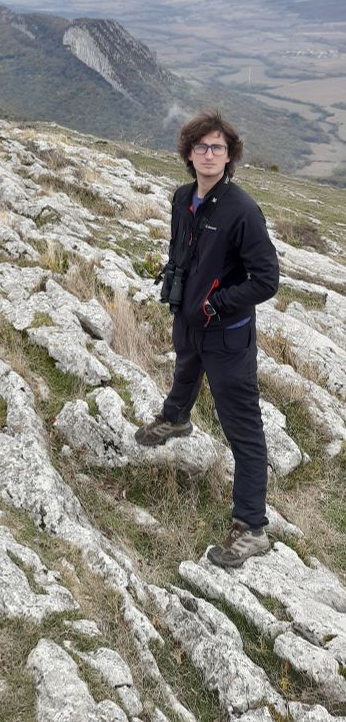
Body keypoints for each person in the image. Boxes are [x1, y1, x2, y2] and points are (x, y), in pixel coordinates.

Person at [135, 109, 279, 568]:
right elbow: (182, 249)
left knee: (243, 428)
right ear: (189, 153)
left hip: (227, 335)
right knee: (184, 371)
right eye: (202, 146)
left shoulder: (243, 211)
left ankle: (252, 527)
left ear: (230, 155)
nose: (210, 154)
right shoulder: (183, 198)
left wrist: (216, 304)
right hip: (189, 320)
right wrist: (176, 286)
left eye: (218, 147)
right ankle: (175, 419)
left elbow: (267, 280)